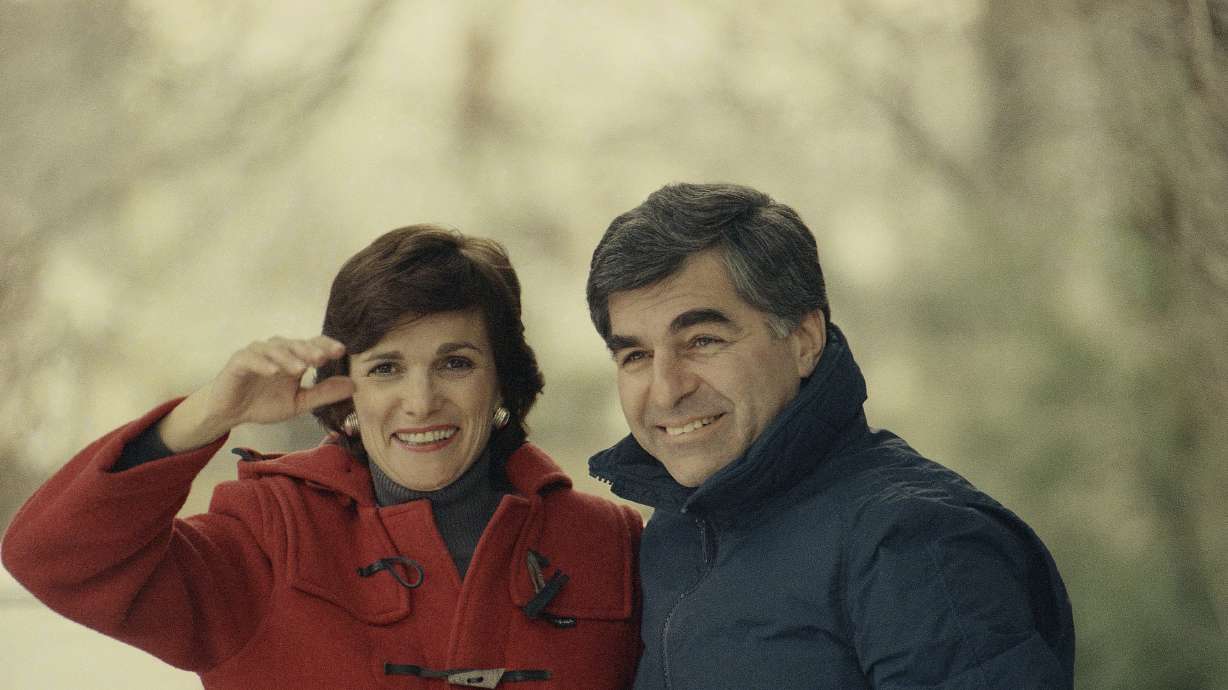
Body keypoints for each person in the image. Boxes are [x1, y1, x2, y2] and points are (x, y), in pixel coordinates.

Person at [3, 225, 642, 688]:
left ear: (502, 378)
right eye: (385, 368)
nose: (421, 401)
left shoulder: (609, 543)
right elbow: (54, 560)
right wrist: (206, 415)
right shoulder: (266, 536)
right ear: (346, 388)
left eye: (455, 363)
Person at [585, 183, 1076, 689]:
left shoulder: (913, 540)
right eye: (636, 356)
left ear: (804, 340)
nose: (667, 390)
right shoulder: (673, 535)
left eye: (703, 340)